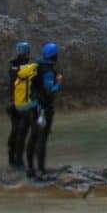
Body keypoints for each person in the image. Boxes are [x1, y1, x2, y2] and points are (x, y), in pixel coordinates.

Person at [26, 42, 63, 180]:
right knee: (41, 139)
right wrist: (58, 83)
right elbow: (49, 90)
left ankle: (30, 168)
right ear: (54, 56)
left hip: (32, 106)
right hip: (43, 109)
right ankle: (41, 171)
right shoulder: (48, 70)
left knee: (33, 136)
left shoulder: (36, 66)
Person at [6, 41, 32, 168]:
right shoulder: (27, 68)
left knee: (14, 131)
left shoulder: (12, 67)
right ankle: (19, 161)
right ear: (27, 53)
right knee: (22, 133)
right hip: (23, 104)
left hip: (11, 103)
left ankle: (11, 160)